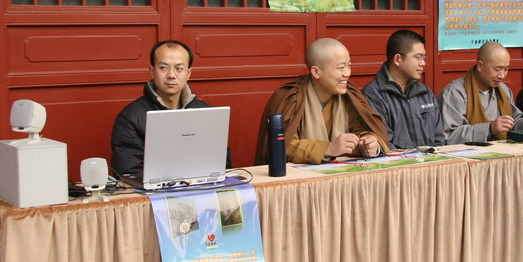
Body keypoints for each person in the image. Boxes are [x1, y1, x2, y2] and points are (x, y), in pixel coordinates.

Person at [255, 38, 390, 165]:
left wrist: (368, 142)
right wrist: (327, 148)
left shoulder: (349, 96)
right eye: (340, 68)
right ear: (316, 72)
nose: (347, 73)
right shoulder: (290, 98)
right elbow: (281, 147)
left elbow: (361, 131)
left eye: (349, 66)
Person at [111, 39, 227, 176]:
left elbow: (222, 164)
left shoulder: (207, 114)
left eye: (179, 69)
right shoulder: (130, 117)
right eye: (163, 67)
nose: (171, 75)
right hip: (152, 189)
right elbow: (129, 172)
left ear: (188, 73)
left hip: (203, 186)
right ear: (152, 71)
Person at [438, 41, 523, 144]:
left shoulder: (503, 90)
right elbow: (449, 136)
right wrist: (490, 128)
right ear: (480, 66)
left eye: (506, 69)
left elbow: (512, 122)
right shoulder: (455, 92)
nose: (502, 75)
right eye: (497, 69)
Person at [362, 30, 444, 150]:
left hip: (431, 161)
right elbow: (384, 143)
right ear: (398, 59)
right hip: (398, 161)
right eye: (418, 57)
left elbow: (439, 139)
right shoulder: (373, 95)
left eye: (424, 57)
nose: (423, 63)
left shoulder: (425, 93)